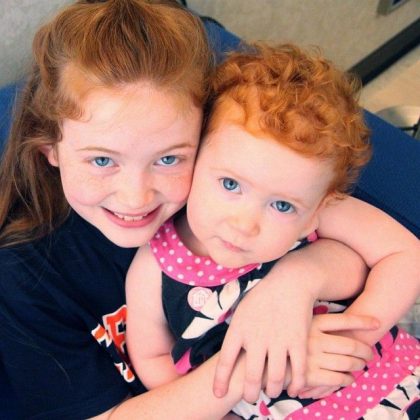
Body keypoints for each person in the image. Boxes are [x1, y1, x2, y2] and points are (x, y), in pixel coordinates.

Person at [0, 1, 379, 419]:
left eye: (169, 159)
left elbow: (366, 250)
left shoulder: (230, 191)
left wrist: (295, 282)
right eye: (102, 160)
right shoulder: (24, 276)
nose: (136, 198)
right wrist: (254, 361)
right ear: (50, 149)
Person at [126, 43, 420, 419]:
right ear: (195, 157)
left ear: (317, 209)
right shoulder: (154, 266)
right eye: (231, 184)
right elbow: (152, 357)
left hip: (397, 386)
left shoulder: (315, 209)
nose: (244, 224)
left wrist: (354, 338)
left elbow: (405, 254)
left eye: (281, 206)